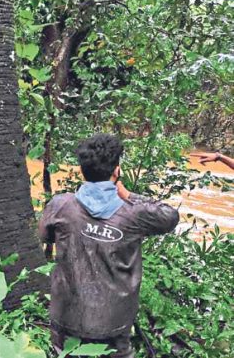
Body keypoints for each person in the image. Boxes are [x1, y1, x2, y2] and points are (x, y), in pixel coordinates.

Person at [38, 133, 179, 358]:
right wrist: (129, 195)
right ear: (117, 170)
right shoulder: (134, 213)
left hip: (66, 316)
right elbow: (170, 216)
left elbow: (45, 235)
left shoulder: (61, 205)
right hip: (114, 320)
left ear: (82, 170)